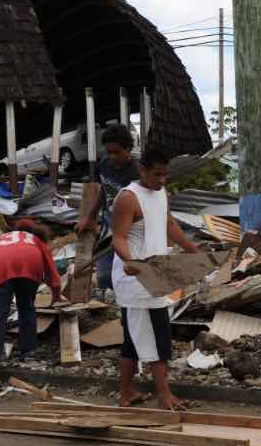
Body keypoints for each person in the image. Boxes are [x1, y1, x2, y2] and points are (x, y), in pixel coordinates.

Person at [112, 146, 200, 409]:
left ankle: (126, 393)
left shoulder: (161, 193)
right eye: (157, 174)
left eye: (165, 175)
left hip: (156, 274)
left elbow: (168, 224)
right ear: (143, 170)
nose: (162, 180)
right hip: (136, 279)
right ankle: (164, 395)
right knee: (156, 335)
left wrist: (193, 249)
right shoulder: (128, 198)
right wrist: (130, 261)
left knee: (133, 339)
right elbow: (118, 238)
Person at [0, 220, 61, 370]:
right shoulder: (35, 240)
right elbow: (51, 271)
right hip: (30, 262)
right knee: (27, 309)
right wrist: (56, 296)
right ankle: (28, 354)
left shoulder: (2, 239)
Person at [76, 124, 139, 292]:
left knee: (127, 276)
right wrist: (89, 217)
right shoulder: (104, 164)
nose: (112, 156)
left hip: (129, 234)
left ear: (129, 149)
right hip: (107, 228)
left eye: (117, 152)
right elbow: (102, 192)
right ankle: (106, 309)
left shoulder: (138, 173)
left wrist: (123, 236)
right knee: (104, 277)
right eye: (108, 152)